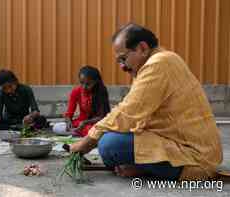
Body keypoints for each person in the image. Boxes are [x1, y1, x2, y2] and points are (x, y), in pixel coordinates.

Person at [70, 23, 223, 180]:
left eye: (123, 59)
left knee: (109, 144)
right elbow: (133, 116)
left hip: (195, 158)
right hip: (173, 142)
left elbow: (128, 113)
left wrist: (88, 141)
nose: (122, 67)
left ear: (142, 48)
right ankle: (145, 168)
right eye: (119, 61)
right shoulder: (158, 62)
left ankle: (149, 168)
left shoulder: (159, 63)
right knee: (110, 145)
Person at [53, 66, 110, 137]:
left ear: (96, 82)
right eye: (82, 83)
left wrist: (85, 122)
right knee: (56, 127)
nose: (84, 87)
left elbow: (102, 117)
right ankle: (84, 133)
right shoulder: (76, 91)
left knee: (97, 129)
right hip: (80, 123)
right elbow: (69, 113)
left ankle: (81, 133)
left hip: (95, 123)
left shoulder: (101, 92)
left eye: (88, 84)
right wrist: (68, 122)